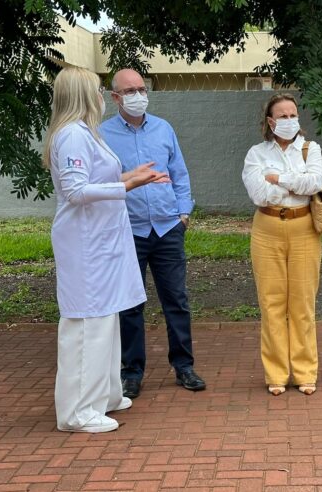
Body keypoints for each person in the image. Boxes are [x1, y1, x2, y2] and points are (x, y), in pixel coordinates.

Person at [42, 67, 168, 432]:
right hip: (85, 246)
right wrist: (128, 186)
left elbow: (99, 180)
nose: (102, 96)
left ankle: (106, 394)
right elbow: (76, 191)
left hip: (102, 242)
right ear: (83, 94)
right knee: (87, 324)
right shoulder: (71, 136)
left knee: (106, 319)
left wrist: (131, 176)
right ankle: (77, 412)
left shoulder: (86, 133)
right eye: (97, 90)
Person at [101, 69, 206, 399]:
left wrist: (183, 214)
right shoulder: (101, 134)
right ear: (115, 97)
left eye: (141, 89)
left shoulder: (163, 129)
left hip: (167, 227)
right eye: (129, 90)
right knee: (130, 304)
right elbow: (103, 182)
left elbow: (180, 173)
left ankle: (184, 366)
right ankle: (131, 371)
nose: (138, 95)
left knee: (176, 299)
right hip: (128, 230)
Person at [242, 93, 322, 396]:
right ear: (270, 121)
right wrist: (293, 181)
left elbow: (316, 182)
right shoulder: (256, 153)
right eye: (283, 115)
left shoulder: (310, 149)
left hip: (305, 226)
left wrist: (277, 178)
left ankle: (305, 372)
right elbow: (258, 193)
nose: (290, 120)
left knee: (303, 302)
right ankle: (276, 374)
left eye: (293, 115)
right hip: (267, 229)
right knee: (272, 303)